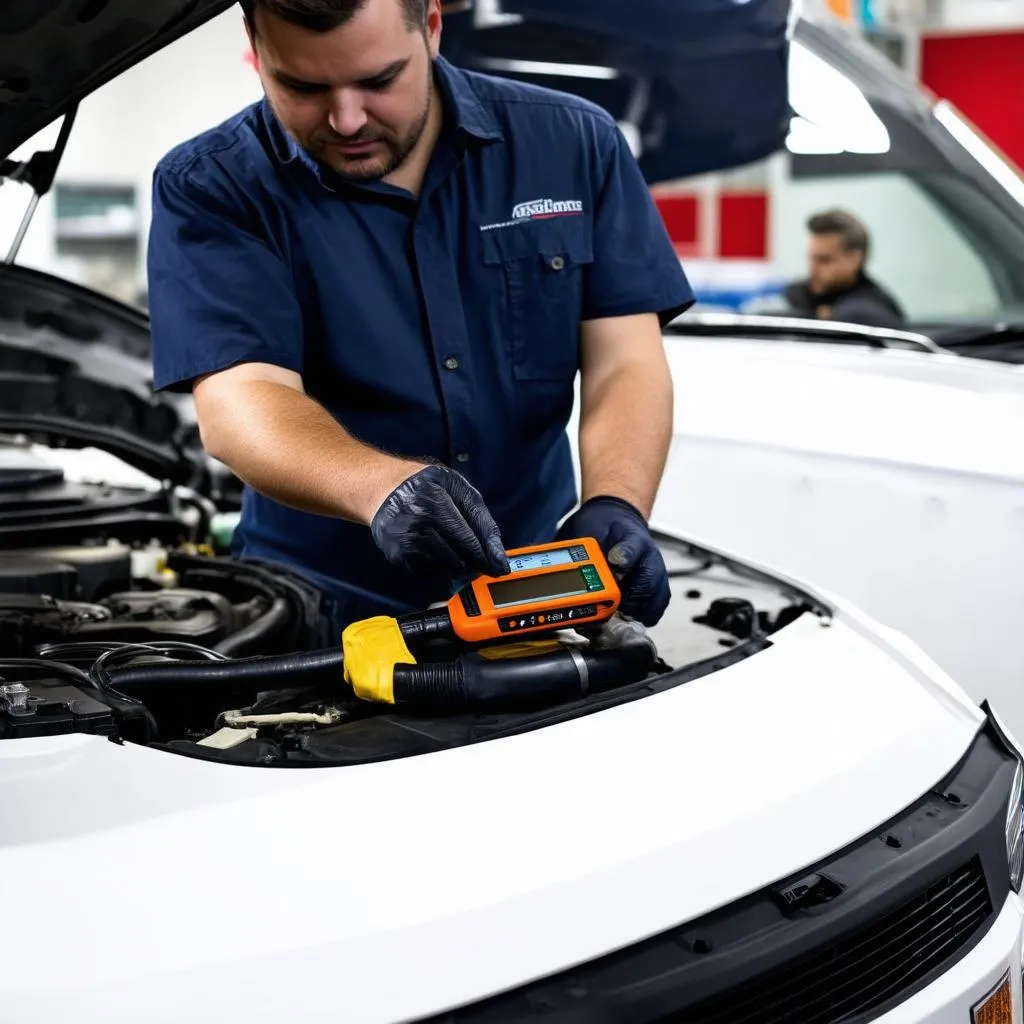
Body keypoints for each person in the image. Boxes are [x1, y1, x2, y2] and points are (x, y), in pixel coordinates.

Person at [147, 0, 693, 638]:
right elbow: (242, 403)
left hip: (533, 591)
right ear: (255, 46)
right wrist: (381, 488)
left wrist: (616, 501)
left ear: (431, 26)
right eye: (302, 86)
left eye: (379, 81)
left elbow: (624, 361)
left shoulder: (574, 145)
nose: (346, 120)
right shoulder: (213, 185)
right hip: (317, 610)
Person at [784, 209, 905, 329]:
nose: (813, 269)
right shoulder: (813, 294)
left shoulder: (863, 314)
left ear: (854, 259)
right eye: (811, 258)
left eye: (824, 260)